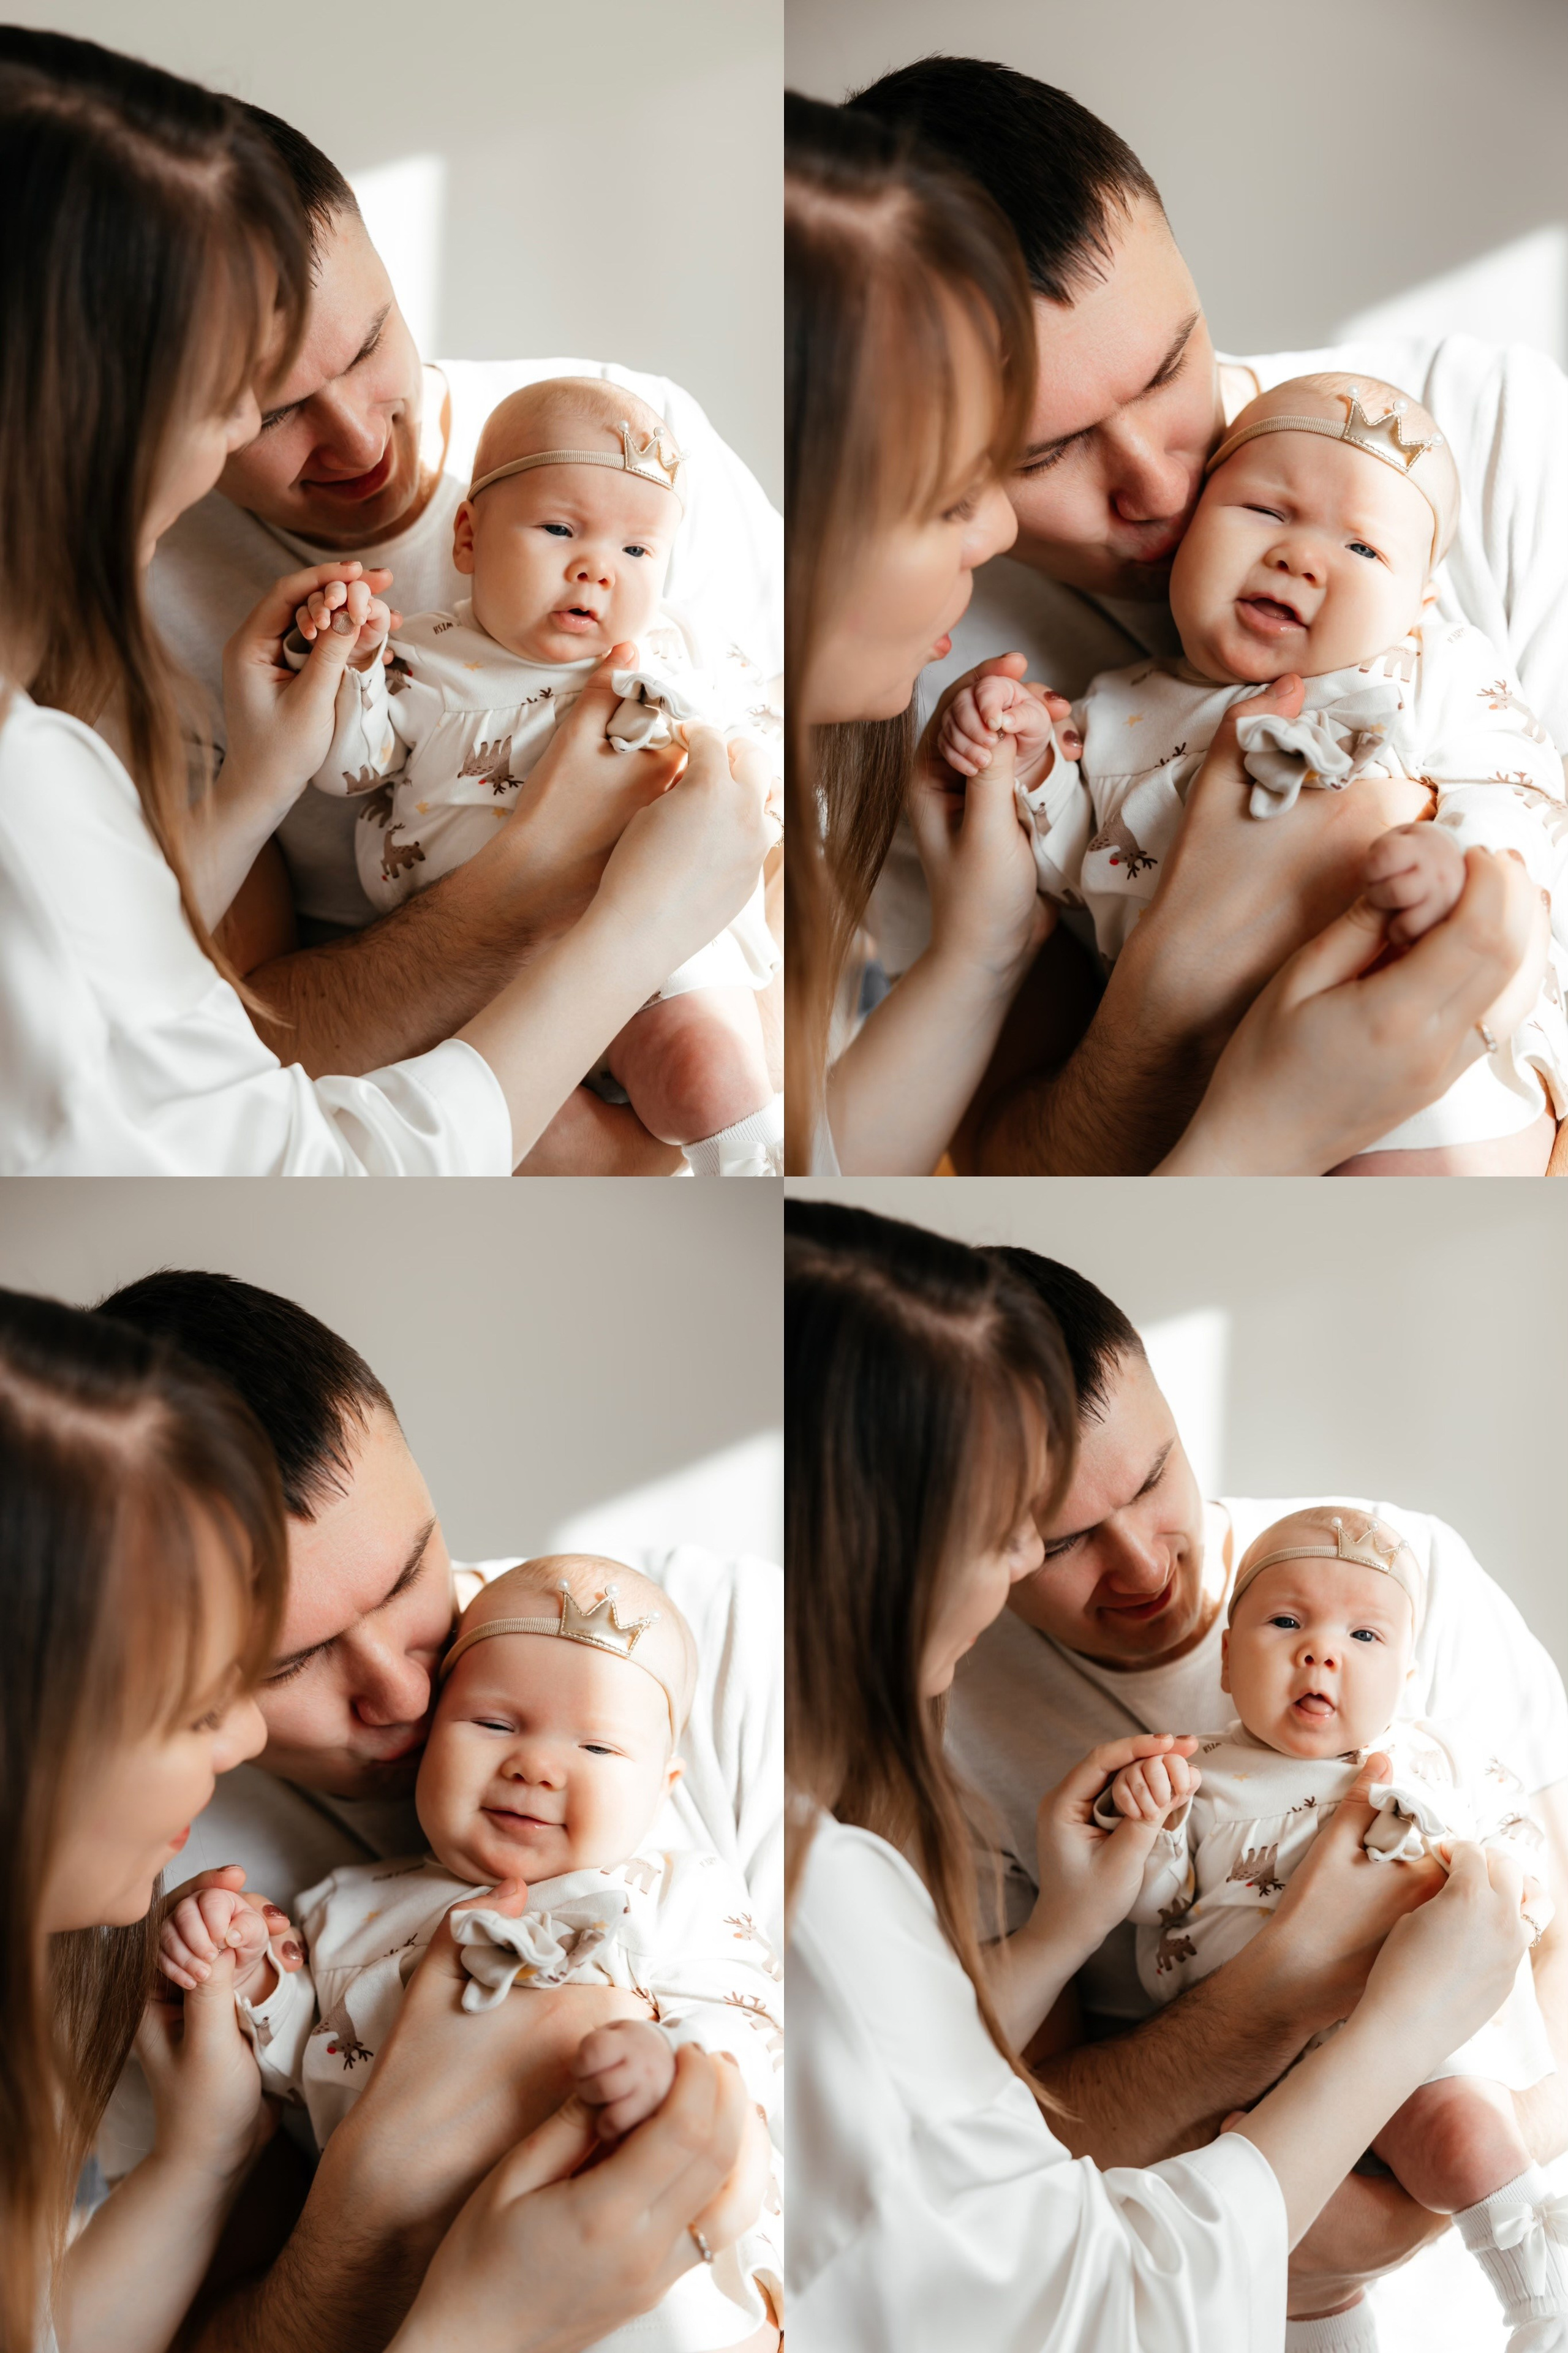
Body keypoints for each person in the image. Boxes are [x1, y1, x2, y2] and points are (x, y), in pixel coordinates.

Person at [0, 32, 772, 1177]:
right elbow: (222, 1055)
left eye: (369, 345)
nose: (359, 441)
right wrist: (555, 897)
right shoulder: (121, 643)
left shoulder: (629, 447)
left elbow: (780, 872)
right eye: (256, 406)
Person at [783, 1199, 1532, 2351]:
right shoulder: (932, 1752)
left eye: (1152, 1479)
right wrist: (1294, 2012)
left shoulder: (1400, 1573)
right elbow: (1020, 2156)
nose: (1140, 1564)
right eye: (1048, 1536)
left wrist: (1487, 2148)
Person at [783, 92, 1546, 1178]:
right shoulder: (904, 655)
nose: (1161, 486)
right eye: (1041, 454)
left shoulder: (1489, 440)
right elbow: (1009, 1156)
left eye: (1170, 370)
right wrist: (1173, 989)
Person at [0, 1291, 753, 2353]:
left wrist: (206, 2152)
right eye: (279, 1664)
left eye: (409, 1579)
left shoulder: (696, 1656)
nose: (404, 1694)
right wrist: (399, 2243)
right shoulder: (125, 1889)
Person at [940, 366, 1568, 1174]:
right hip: (1203, 1103)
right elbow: (1070, 873)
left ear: (1419, 604)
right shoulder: (1113, 710)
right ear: (1187, 532)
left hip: (1429, 1070)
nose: (1300, 557)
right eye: (1266, 510)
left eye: (1363, 547)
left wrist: (1455, 868)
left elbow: (1521, 788)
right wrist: (1028, 764)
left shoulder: (1431, 670)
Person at [164, 1557, 783, 2352]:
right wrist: (246, 1966)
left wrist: (669, 2062)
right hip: (421, 2304)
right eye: (494, 1724)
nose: (536, 1766)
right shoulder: (346, 1909)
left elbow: (748, 2018)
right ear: (427, 1742)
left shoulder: (674, 1890)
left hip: (652, 2286)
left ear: (662, 1787)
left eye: (598, 1747)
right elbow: (293, 2068)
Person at [1096, 1508, 1563, 2350]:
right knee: (1287, 2252)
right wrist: (1140, 1819)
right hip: (1260, 2066)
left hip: (1416, 2039)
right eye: (1286, 1622)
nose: (1321, 1652)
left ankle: (1542, 2299)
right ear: (1228, 1658)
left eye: (1364, 1635)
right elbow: (1152, 1901)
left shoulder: (1429, 1755)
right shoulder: (1199, 1775)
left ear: (1407, 1677)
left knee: (1462, 2140)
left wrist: (1518, 1891)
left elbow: (1515, 1835)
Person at [294, 377, 782, 1175]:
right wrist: (345, 663)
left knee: (706, 1073)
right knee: (518, 1138)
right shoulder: (425, 661)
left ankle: (756, 1175)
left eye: (637, 551)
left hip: (663, 948)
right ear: (468, 538)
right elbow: (346, 769)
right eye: (560, 529)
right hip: (481, 976)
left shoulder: (675, 651)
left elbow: (758, 753)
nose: (598, 570)